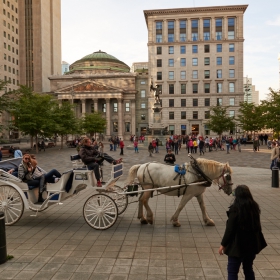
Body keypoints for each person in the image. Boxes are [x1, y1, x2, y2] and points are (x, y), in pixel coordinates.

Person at [218, 185, 267, 280]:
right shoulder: (254, 207)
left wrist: (223, 245)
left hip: (237, 247)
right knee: (248, 269)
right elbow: (258, 227)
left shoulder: (235, 209)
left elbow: (230, 230)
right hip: (251, 246)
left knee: (232, 271)